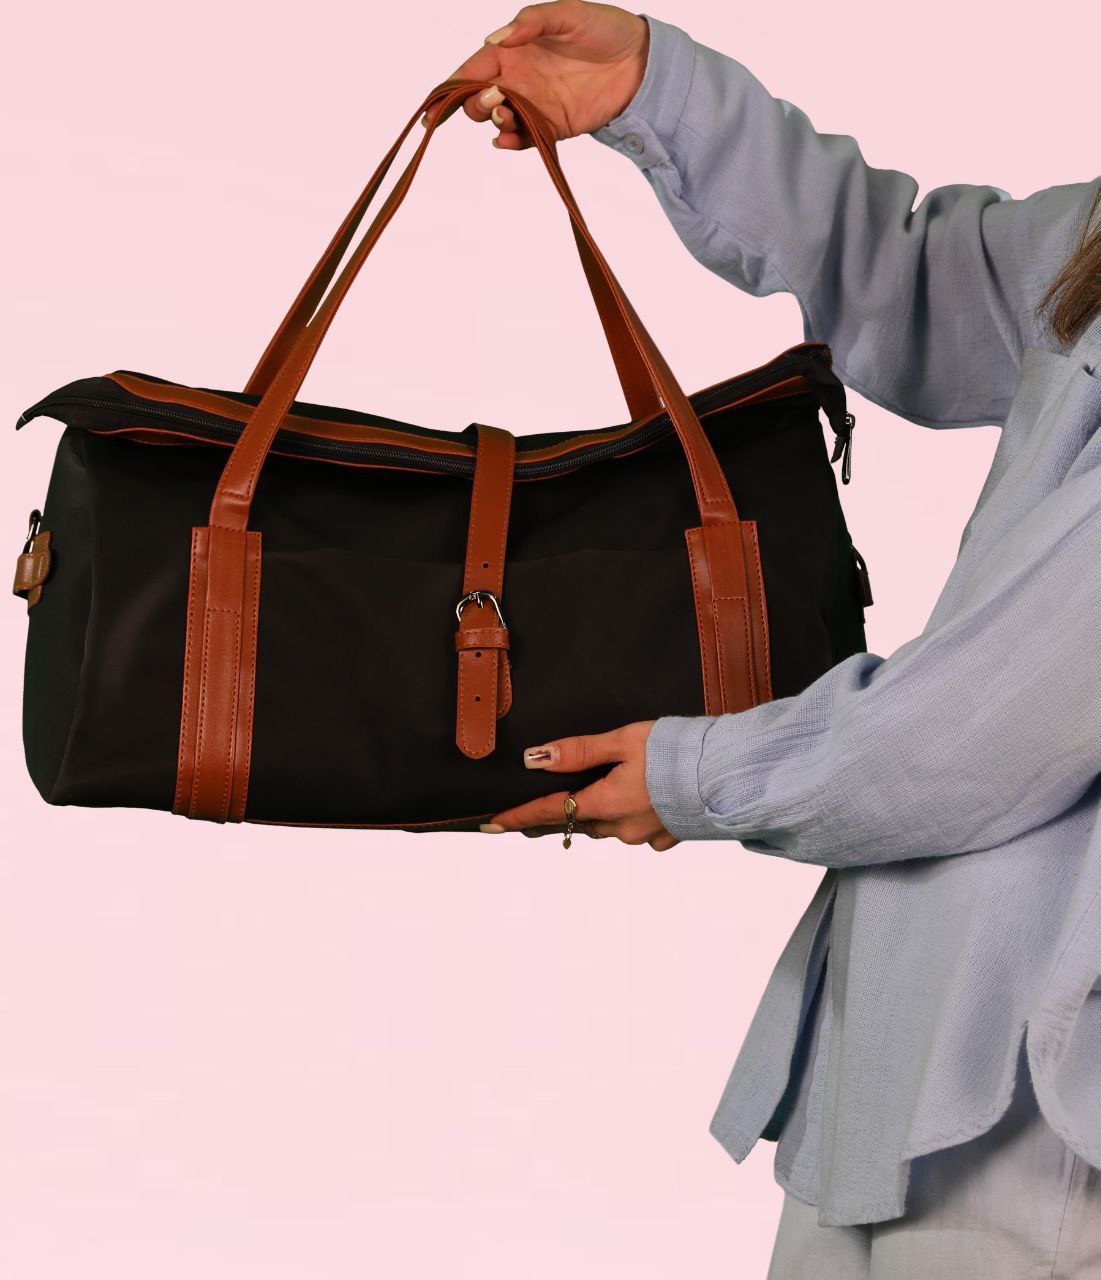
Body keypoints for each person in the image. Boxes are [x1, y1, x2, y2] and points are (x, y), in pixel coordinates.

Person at [437, 4, 1101, 1276]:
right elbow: (914, 275)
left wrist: (699, 772)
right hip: (915, 1050)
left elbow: (984, 728)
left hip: (1042, 1100)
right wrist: (658, 92)